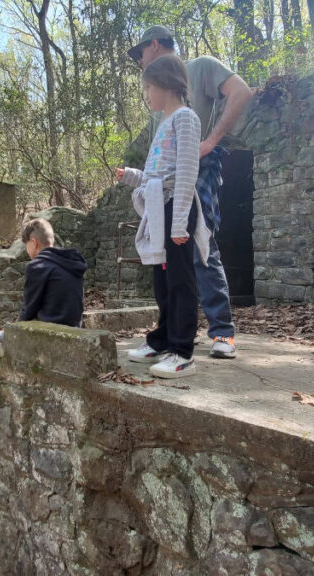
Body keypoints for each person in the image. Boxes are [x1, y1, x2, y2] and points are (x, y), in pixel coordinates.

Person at [127, 25, 256, 359]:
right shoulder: (161, 107)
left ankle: (221, 333)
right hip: (164, 188)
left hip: (197, 171)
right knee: (167, 262)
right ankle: (170, 334)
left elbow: (241, 91)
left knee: (201, 245)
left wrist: (210, 142)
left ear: (154, 46)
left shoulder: (201, 67)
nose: (140, 63)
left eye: (139, 54)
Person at [116, 54, 210, 379]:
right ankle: (161, 341)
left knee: (181, 280)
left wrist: (181, 220)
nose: (147, 95)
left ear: (166, 84)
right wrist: (130, 175)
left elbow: (186, 172)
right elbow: (154, 176)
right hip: (160, 208)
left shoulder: (186, 119)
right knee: (162, 280)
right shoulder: (164, 123)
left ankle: (182, 352)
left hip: (175, 208)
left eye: (149, 88)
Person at [0, 218, 87, 347]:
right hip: (75, 331)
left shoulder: (38, 266)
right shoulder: (73, 262)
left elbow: (28, 310)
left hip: (51, 338)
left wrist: (9, 332)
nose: (27, 250)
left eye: (26, 245)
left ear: (33, 242)